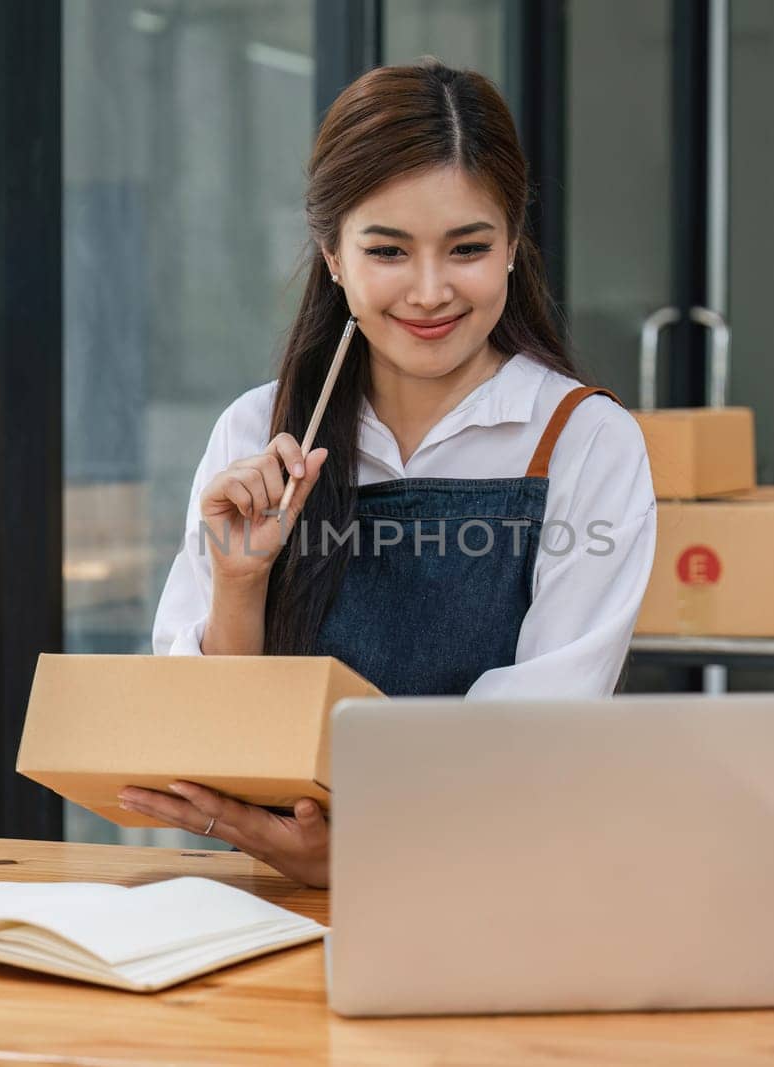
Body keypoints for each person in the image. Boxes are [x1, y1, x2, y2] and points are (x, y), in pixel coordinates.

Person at [119, 60, 656, 888]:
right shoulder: (256, 432)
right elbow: (204, 732)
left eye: (468, 247)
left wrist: (368, 844)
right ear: (334, 255)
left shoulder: (585, 440)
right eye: (389, 250)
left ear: (513, 244)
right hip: (279, 905)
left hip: (505, 892)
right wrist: (238, 581)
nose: (431, 291)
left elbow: (547, 725)